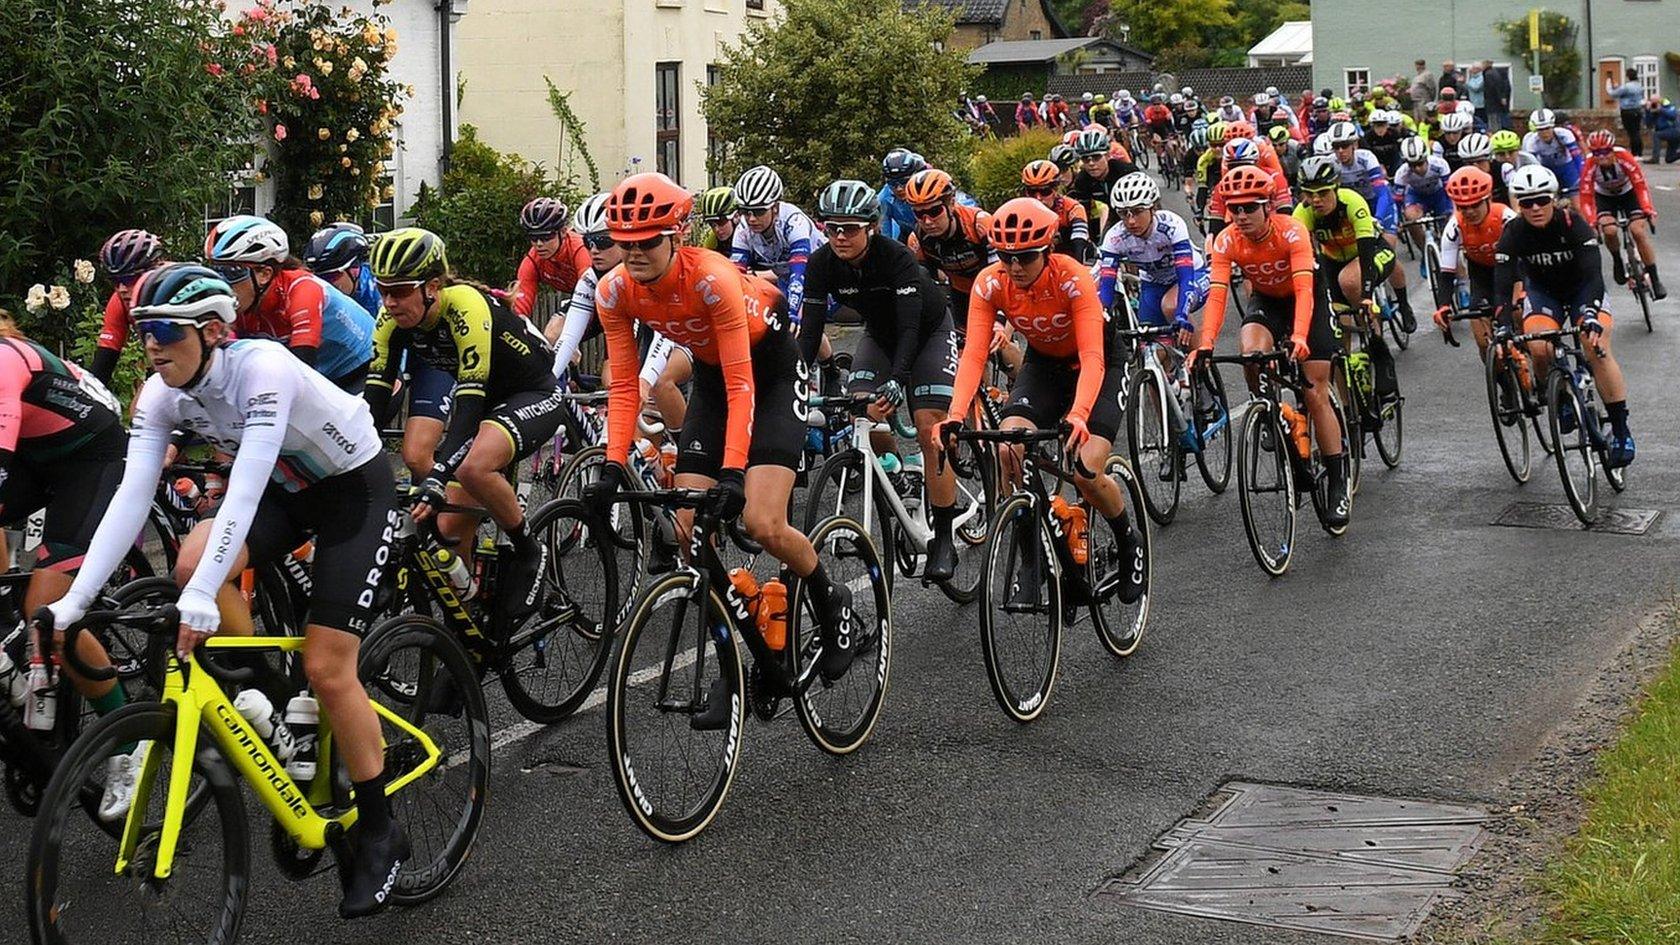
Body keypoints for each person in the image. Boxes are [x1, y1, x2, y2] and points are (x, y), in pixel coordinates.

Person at [44, 263, 408, 917]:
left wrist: (209, 591)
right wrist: (72, 602)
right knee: (188, 564)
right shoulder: (161, 394)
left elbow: (246, 483)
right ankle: (277, 699)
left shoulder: (260, 367)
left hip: (352, 490)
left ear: (213, 331)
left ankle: (380, 826)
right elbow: (129, 499)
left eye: (164, 330)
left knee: (329, 665)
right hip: (288, 492)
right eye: (143, 329)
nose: (150, 343)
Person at [587, 172, 859, 692]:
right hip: (716, 376)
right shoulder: (614, 290)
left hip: (772, 372)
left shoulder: (712, 277)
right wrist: (611, 462)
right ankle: (738, 656)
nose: (634, 253)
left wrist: (733, 471)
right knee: (688, 533)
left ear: (678, 235)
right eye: (624, 244)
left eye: (647, 242)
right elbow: (625, 387)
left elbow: (744, 385)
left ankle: (831, 602)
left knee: (761, 521)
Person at [939, 198, 1146, 615]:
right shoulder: (990, 282)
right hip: (1045, 365)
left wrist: (1079, 415)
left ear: (1047, 250)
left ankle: (1128, 540)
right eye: (1007, 257)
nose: (1015, 267)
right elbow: (974, 355)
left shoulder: (1072, 278)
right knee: (1009, 447)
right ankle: (1033, 561)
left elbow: (1092, 357)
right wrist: (955, 415)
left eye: (1027, 257)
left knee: (1086, 469)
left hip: (1100, 365)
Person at [363, 229, 561, 619]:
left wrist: (437, 474)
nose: (389, 302)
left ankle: (527, 549)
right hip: (489, 402)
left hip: (532, 393)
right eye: (383, 289)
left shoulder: (465, 305)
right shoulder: (389, 320)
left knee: (472, 466)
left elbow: (469, 408)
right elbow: (372, 403)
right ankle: (469, 622)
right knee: (451, 531)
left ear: (432, 286)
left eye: (400, 290)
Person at [0, 320, 134, 816]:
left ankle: (128, 742)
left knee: (49, 614)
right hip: (37, 460)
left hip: (91, 460)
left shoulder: (4, 362)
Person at [798, 180, 961, 579]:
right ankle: (897, 473)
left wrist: (898, 379)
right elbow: (809, 331)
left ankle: (942, 537)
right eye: (832, 227)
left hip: (927, 332)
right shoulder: (822, 264)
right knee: (861, 414)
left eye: (850, 228)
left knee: (929, 427)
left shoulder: (896, 258)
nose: (840, 236)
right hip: (880, 335)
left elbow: (908, 329)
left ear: (871, 226)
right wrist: (796, 381)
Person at [1190, 166, 1349, 527]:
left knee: (1314, 393)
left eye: (1250, 208)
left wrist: (1300, 337)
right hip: (1267, 300)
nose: (1241, 216)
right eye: (1234, 209)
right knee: (1251, 353)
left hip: (1306, 300)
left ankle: (1338, 479)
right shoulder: (1227, 240)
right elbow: (1216, 297)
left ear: (1268, 207)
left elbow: (1306, 292)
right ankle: (1271, 413)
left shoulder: (1292, 230)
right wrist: (1207, 344)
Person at [1496, 165, 1634, 468]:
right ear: (1517, 204)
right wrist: (1504, 325)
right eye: (1526, 202)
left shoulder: (1574, 223)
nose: (1534, 208)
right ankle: (1557, 397)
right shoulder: (1513, 232)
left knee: (1595, 346)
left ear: (1553, 198)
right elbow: (1503, 284)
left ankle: (1622, 431)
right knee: (1539, 347)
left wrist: (1589, 312)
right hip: (1545, 295)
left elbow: (1593, 274)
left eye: (1541, 200)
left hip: (1583, 291)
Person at [549, 194, 691, 435]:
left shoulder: (644, 271)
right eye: (588, 241)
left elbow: (662, 334)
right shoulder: (592, 278)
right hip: (645, 335)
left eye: (603, 241)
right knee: (622, 400)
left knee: (660, 382)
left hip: (683, 333)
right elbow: (569, 336)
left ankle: (687, 448)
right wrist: (546, 382)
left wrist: (644, 382)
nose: (594, 250)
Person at [204, 215, 375, 392]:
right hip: (325, 375)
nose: (222, 283)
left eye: (232, 272)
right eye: (215, 272)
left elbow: (301, 370)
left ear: (264, 274)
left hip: (364, 368)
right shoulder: (243, 302)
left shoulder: (303, 289)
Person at [1293, 155, 1401, 408]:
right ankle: (1350, 407)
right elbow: (1301, 259)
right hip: (1334, 262)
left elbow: (1364, 254)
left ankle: (1377, 346)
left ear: (1336, 188)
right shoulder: (1303, 212)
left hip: (1371, 253)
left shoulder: (1352, 202)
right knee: (1337, 340)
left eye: (1322, 193)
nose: (1316, 200)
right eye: (1309, 194)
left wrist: (1366, 297)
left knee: (1350, 281)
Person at [1097, 173, 1208, 340]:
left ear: (1153, 208)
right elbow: (1106, 286)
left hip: (1191, 275)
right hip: (1153, 284)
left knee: (1171, 306)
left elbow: (1185, 276)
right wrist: (1100, 314)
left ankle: (1200, 358)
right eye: (1123, 213)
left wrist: (1182, 315)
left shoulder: (1171, 225)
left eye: (1137, 211)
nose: (1131, 221)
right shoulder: (1115, 237)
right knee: (1149, 343)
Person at [1431, 167, 1517, 363]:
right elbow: (1446, 272)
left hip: (1514, 272)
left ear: (1488, 199)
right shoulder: (1454, 227)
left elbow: (1527, 257)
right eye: (1462, 207)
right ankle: (1504, 385)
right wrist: (1443, 305)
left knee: (1518, 312)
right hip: (1482, 274)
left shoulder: (1506, 217)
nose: (1469, 211)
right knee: (1482, 339)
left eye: (1475, 204)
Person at [1578, 129, 1665, 299]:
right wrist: (1591, 220)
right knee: (1609, 230)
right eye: (1596, 153)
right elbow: (1586, 196)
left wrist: (1647, 208)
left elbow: (1640, 185)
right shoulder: (1589, 164)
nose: (1601, 156)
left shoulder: (1624, 157)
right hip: (1604, 197)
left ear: (1612, 149)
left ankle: (1655, 278)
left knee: (1637, 231)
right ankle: (1617, 259)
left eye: (1604, 152)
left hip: (1629, 193)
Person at [90, 228, 167, 385]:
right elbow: (102, 368)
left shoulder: (176, 289)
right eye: (116, 281)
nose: (122, 288)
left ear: (154, 271)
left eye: (130, 278)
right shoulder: (119, 301)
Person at [511, 197, 590, 320]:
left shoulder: (579, 250)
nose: (539, 244)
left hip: (600, 297)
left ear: (563, 232)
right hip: (586, 299)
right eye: (533, 237)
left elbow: (587, 293)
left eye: (546, 236)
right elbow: (521, 305)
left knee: (554, 330)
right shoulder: (533, 260)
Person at [303, 222, 381, 317]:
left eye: (331, 276)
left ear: (354, 270)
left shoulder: (382, 293)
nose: (324, 285)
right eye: (318, 279)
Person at [1021, 160, 1092, 262]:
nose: (1038, 198)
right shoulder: (1022, 212)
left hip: (1075, 258)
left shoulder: (1073, 208)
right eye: (1032, 192)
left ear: (1056, 188)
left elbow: (1079, 244)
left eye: (1045, 191)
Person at [1522, 109, 1584, 202]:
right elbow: (1532, 166)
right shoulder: (1532, 142)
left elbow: (1577, 157)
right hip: (1548, 171)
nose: (1544, 133)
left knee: (1577, 205)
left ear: (1553, 126)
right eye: (1540, 129)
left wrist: (1582, 176)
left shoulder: (1564, 134)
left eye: (1547, 128)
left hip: (1568, 169)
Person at [879, 148, 928, 242]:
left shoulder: (925, 188)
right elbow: (885, 234)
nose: (899, 189)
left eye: (904, 182)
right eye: (892, 183)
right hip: (906, 233)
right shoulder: (884, 198)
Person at [1606, 69, 1647, 158]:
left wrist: (1608, 84)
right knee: (1636, 131)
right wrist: (1618, 87)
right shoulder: (1639, 86)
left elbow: (1613, 94)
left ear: (1628, 76)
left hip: (1627, 111)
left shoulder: (1626, 87)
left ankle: (1635, 153)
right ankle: (1639, 153)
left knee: (1631, 132)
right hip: (1637, 110)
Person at [694, 186, 739, 252]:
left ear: (735, 216)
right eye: (711, 224)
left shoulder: (750, 236)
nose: (716, 229)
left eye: (721, 223)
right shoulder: (712, 240)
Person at [1645, 95, 1680, 164]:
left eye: (1655, 102)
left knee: (1656, 135)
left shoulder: (1668, 106)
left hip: (1675, 130)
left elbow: (1673, 115)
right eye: (1652, 102)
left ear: (1660, 100)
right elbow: (1648, 124)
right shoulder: (1654, 111)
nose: (1654, 104)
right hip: (1666, 132)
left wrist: (1661, 109)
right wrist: (1648, 111)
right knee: (1669, 159)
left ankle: (1655, 158)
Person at [1482, 60, 1512, 131]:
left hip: (1491, 102)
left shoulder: (1488, 74)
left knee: (1493, 121)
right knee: (1497, 120)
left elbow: (1493, 88)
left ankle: (1494, 134)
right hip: (1496, 102)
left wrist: (1500, 98)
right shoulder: (1495, 73)